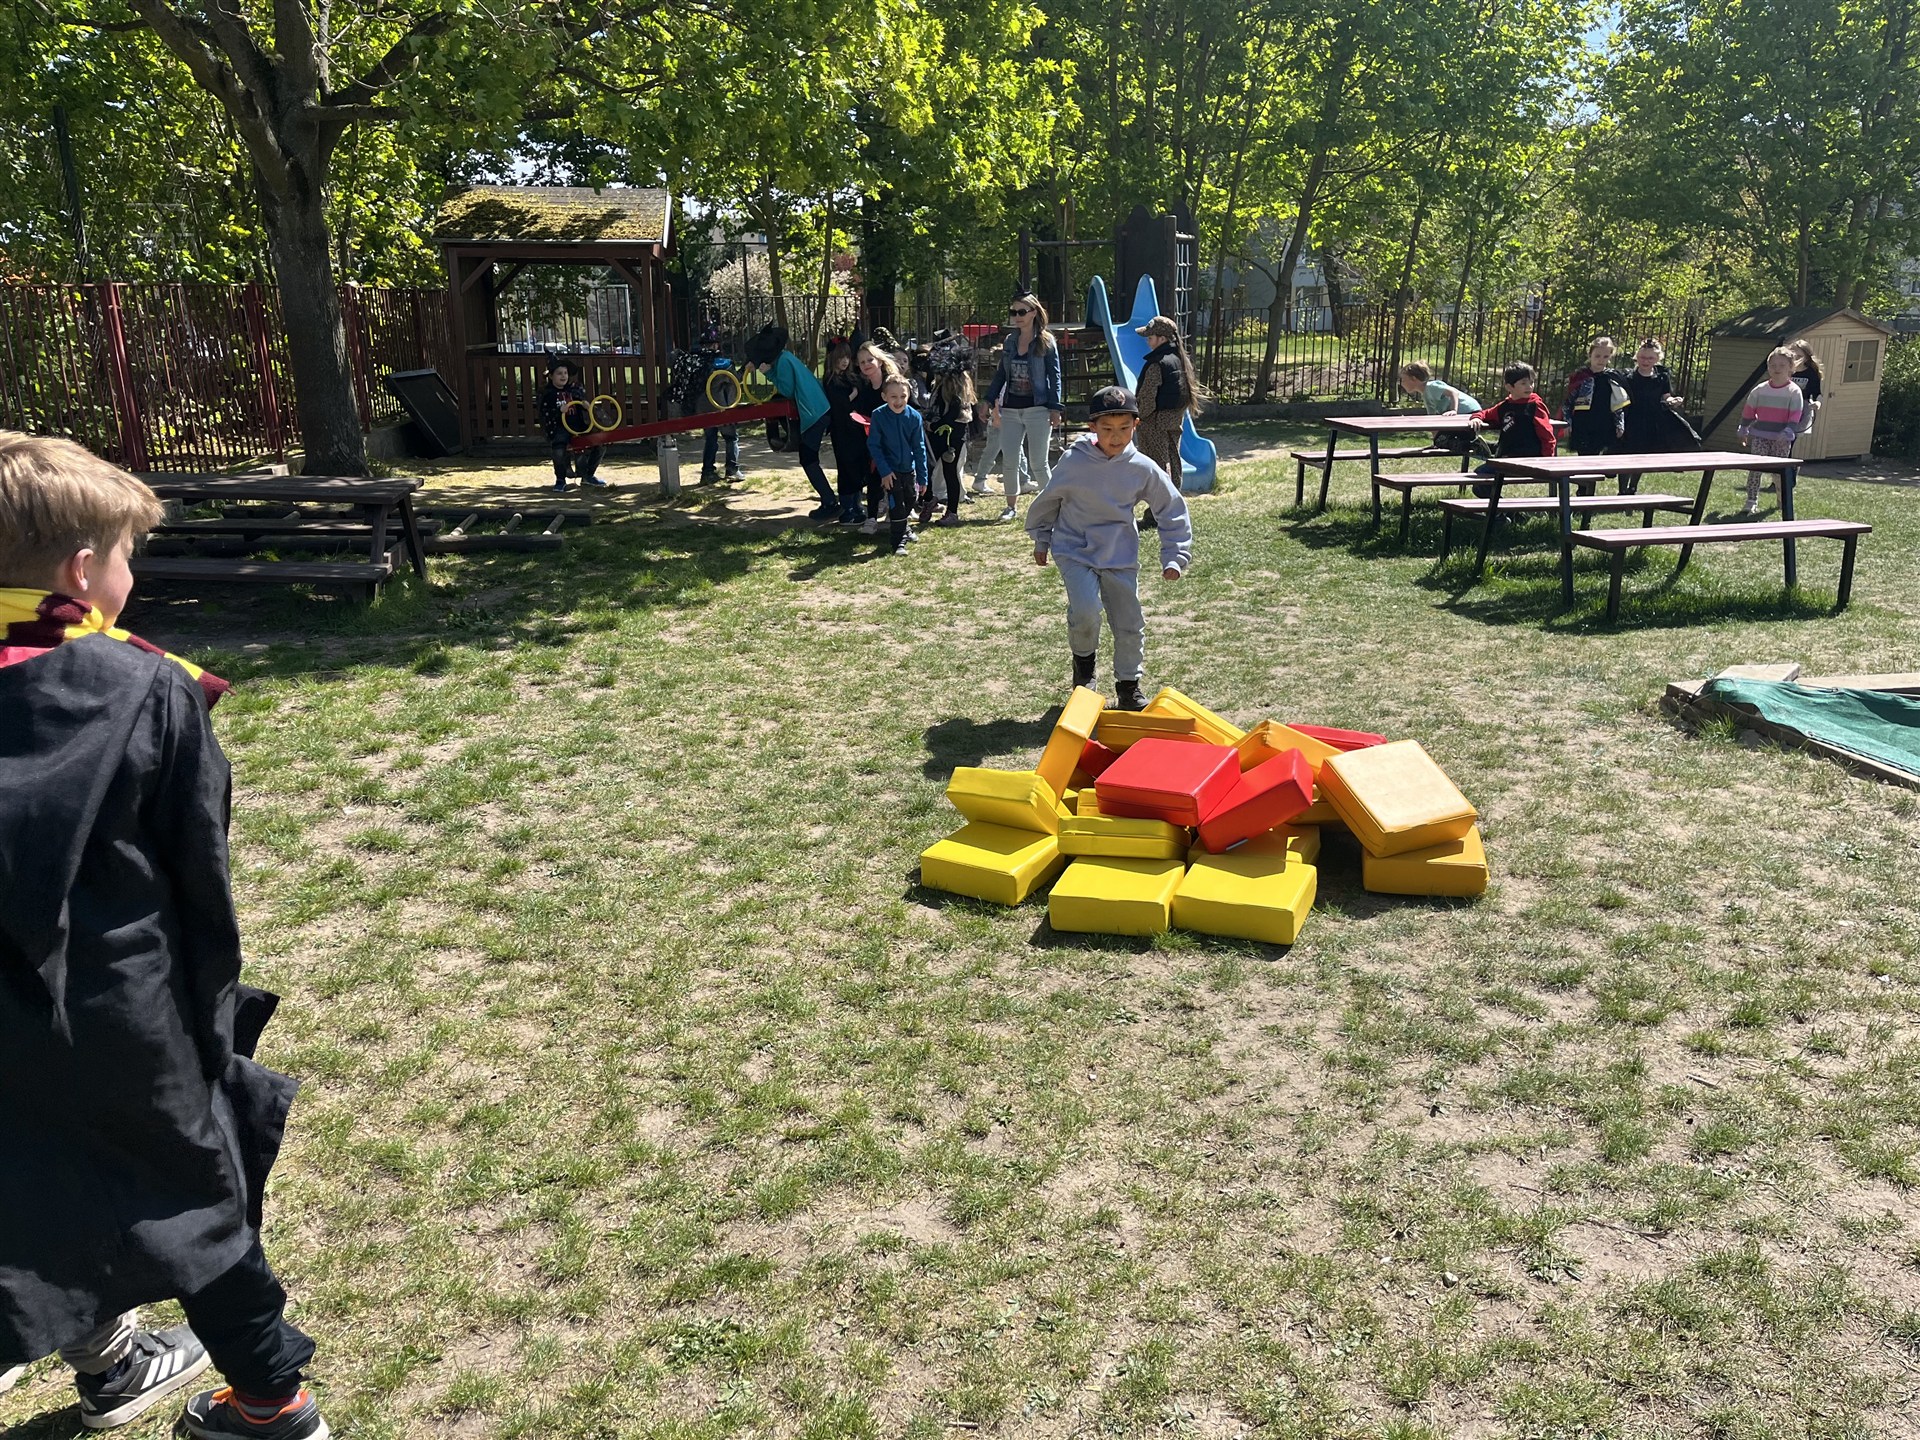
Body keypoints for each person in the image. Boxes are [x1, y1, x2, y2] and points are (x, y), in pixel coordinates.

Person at [0, 433, 323, 1439]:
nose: (131, 575)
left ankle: (112, 1361)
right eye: (127, 556)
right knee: (194, 1197)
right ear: (82, 572)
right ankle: (271, 1402)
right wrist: (207, 1010)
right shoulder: (145, 689)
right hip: (127, 1011)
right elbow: (198, 874)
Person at [1026, 386, 1192, 711]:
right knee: (1086, 611)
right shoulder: (1074, 462)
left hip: (1119, 552)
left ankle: (1129, 687)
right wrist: (1041, 537)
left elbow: (1171, 508)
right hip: (1074, 549)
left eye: (1124, 428)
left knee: (1129, 620)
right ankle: (1084, 672)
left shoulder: (1142, 467)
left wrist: (1175, 555)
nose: (1116, 437)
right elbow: (1049, 500)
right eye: (1107, 429)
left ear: (1136, 425)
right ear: (1092, 427)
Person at [746, 324, 836, 522]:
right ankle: (830, 499)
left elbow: (786, 390)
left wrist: (768, 373)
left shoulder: (783, 363)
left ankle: (829, 501)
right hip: (818, 409)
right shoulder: (785, 357)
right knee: (808, 457)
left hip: (814, 413)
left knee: (808, 459)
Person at [984, 292, 1064, 504]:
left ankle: (1053, 505)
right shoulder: (1010, 341)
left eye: (1021, 312)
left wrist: (1055, 408)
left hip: (1038, 408)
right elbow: (1001, 374)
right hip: (1011, 409)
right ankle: (1010, 507)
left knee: (1038, 463)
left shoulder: (1046, 341)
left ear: (1033, 313)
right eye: (1013, 312)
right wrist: (989, 400)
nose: (1017, 316)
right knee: (1009, 462)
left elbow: (1054, 376)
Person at [667, 320, 742, 486]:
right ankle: (732, 469)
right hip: (721, 406)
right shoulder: (723, 364)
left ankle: (707, 471)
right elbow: (736, 380)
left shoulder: (694, 363)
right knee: (731, 437)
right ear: (716, 345)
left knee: (710, 438)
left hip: (702, 407)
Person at [1466, 362, 1557, 496]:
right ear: (1509, 387)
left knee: (1481, 475)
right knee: (1479, 480)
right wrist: (1476, 418)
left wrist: (1547, 460)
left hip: (1528, 460)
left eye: (1531, 382)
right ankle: (1502, 507)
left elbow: (1547, 435)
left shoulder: (1535, 406)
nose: (1529, 386)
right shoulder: (1505, 406)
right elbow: (1486, 413)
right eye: (1523, 383)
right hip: (1506, 458)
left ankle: (1500, 507)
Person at [1736, 347, 1805, 516]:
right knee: (1755, 469)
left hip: (1781, 438)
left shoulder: (1794, 391)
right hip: (1761, 435)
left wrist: (1789, 430)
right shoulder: (1760, 390)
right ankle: (1751, 501)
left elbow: (1795, 414)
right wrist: (1743, 428)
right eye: (1773, 365)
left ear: (1790, 367)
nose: (1777, 369)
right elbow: (1749, 411)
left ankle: (1782, 498)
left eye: (1782, 365)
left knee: (1778, 473)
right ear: (1768, 367)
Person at [869, 374, 931, 556]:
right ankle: (898, 542)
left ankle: (904, 527)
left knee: (911, 499)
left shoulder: (914, 417)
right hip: (891, 471)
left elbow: (919, 448)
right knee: (896, 506)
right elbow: (874, 445)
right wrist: (884, 471)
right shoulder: (878, 415)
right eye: (893, 397)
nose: (898, 401)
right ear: (884, 396)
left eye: (903, 396)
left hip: (908, 469)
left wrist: (923, 477)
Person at [1617, 338, 1700, 468]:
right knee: (1628, 451)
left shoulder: (1662, 377)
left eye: (1650, 358)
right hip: (1632, 418)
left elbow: (1666, 396)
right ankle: (1624, 481)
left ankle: (1634, 480)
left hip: (1653, 420)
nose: (1646, 361)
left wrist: (1672, 400)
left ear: (1657, 359)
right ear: (1637, 357)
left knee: (1645, 454)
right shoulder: (1628, 377)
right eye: (1642, 357)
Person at [824, 337, 879, 525]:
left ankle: (857, 505)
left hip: (857, 430)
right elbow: (840, 404)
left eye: (847, 357)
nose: (845, 361)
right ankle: (848, 508)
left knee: (858, 466)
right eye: (840, 357)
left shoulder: (853, 377)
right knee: (846, 467)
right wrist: (853, 394)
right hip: (842, 431)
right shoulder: (831, 380)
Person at [1562, 336, 1628, 495]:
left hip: (1605, 423)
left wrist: (1620, 423)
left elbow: (1618, 403)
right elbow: (1568, 402)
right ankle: (1583, 492)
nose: (1601, 360)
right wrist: (1567, 422)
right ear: (1590, 355)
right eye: (1597, 356)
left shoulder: (1613, 377)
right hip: (1583, 424)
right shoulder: (1580, 377)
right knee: (1585, 459)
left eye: (1605, 356)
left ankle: (1596, 487)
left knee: (1604, 457)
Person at [924, 340, 975, 528]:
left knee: (949, 472)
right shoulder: (939, 385)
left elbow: (952, 416)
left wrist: (933, 425)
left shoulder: (956, 390)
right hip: (937, 434)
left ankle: (952, 511)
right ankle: (929, 499)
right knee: (928, 468)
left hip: (950, 437)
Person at [537, 358, 608, 493]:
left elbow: (582, 404)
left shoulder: (574, 390)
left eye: (565, 373)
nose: (563, 376)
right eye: (559, 373)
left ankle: (588, 475)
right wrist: (559, 411)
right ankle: (560, 480)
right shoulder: (548, 394)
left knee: (600, 444)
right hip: (559, 429)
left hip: (579, 427)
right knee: (559, 450)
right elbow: (545, 414)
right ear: (551, 376)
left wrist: (586, 406)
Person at [854, 343, 902, 535]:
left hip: (894, 440)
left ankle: (896, 514)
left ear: (880, 361)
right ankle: (871, 518)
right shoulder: (864, 388)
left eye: (870, 360)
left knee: (895, 479)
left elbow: (908, 406)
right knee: (873, 478)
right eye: (862, 362)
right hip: (873, 442)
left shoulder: (892, 383)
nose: (866, 364)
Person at [1399, 361, 1481, 456]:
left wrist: (1453, 410)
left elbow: (1454, 393)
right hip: (1463, 416)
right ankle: (1477, 445)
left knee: (1449, 441)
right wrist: (1435, 442)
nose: (1402, 383)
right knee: (1442, 441)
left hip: (1469, 412)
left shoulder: (1431, 387)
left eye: (1403, 380)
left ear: (1414, 379)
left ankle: (1476, 445)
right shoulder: (1425, 395)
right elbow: (1432, 420)